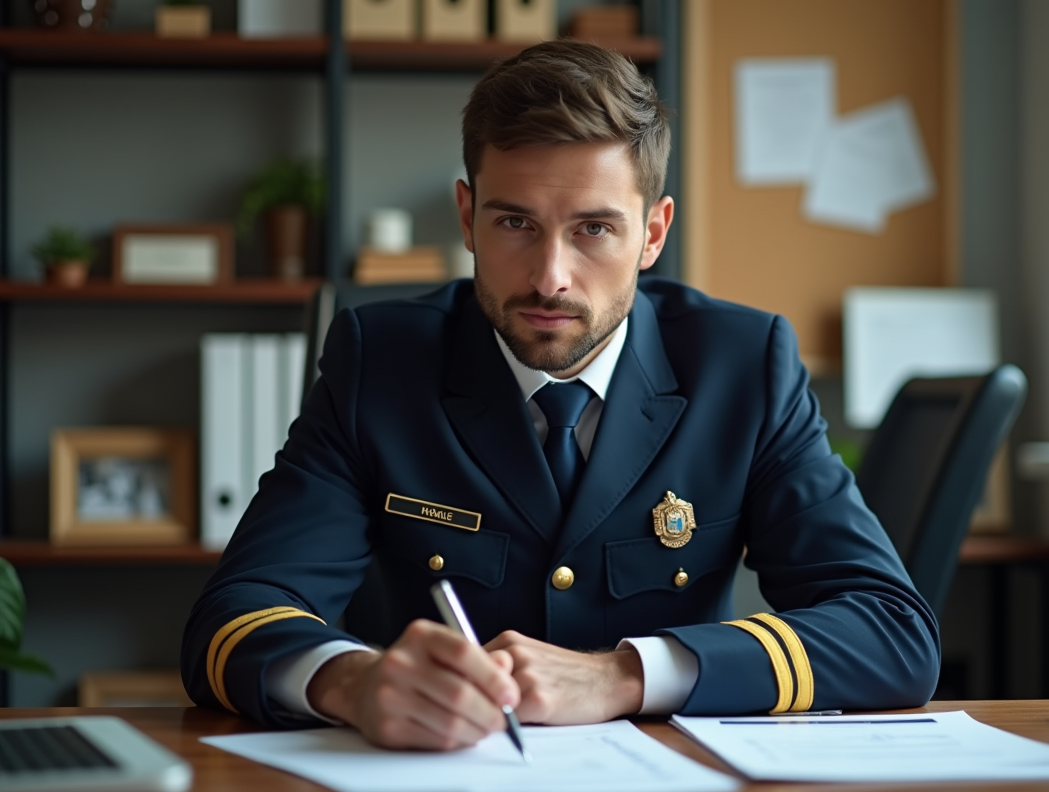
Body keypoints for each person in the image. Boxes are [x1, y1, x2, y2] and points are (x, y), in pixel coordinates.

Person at [182, 40, 939, 751]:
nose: (550, 277)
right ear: (467, 216)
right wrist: (351, 680)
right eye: (516, 222)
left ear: (652, 233)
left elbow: (891, 630)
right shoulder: (379, 361)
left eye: (594, 230)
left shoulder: (744, 366)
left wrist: (625, 674)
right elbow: (232, 616)